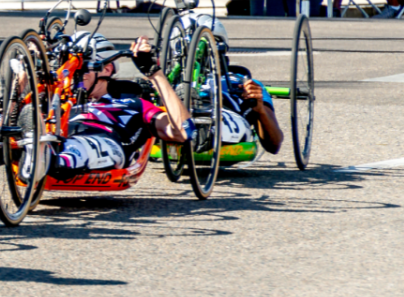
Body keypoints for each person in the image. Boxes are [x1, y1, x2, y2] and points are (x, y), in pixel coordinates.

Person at [27, 32, 191, 182]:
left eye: (81, 68)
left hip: (105, 142)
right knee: (29, 116)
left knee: (83, 145)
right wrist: (28, 63)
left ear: (106, 69)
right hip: (50, 136)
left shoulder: (135, 104)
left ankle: (50, 159)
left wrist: (155, 74)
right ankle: (35, 152)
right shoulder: (56, 98)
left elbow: (182, 132)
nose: (70, 74)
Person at [139, 14, 283, 156]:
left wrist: (260, 110)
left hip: (224, 116)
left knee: (211, 117)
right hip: (173, 115)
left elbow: (274, 145)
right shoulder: (167, 79)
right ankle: (186, 116)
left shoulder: (241, 81)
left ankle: (198, 126)